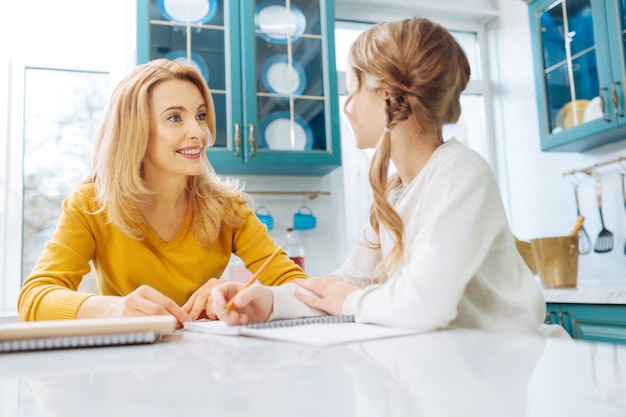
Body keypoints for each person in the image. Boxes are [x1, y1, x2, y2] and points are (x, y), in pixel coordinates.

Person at [210, 17, 568, 338]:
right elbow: (347, 284)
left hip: (510, 366)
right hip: (456, 369)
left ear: (385, 97)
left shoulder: (460, 173)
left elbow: (424, 304)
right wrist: (268, 302)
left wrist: (351, 300)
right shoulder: (396, 193)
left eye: (352, 89)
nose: (346, 106)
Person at [18, 59, 305, 324]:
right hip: (127, 368)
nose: (199, 132)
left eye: (201, 115)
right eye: (175, 118)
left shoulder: (228, 208)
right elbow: (34, 298)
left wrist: (241, 294)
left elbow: (302, 291)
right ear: (135, 131)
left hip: (207, 367)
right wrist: (112, 309)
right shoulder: (90, 204)